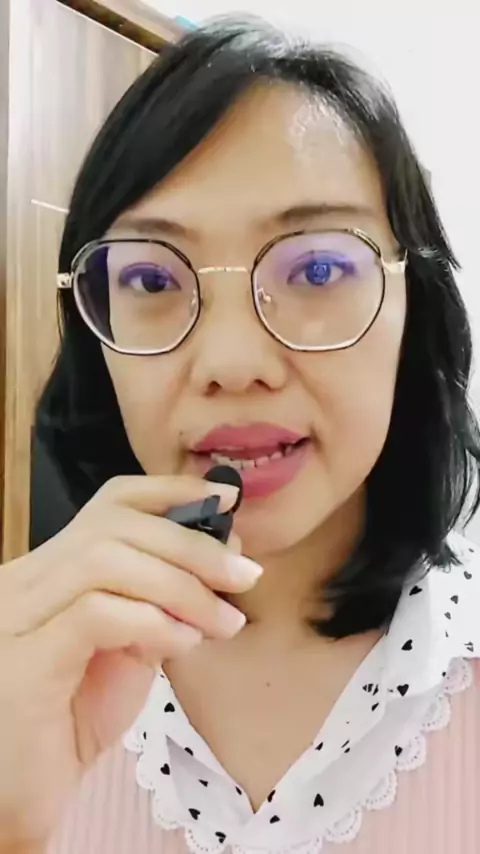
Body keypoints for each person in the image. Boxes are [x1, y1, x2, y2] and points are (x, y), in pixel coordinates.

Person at [1, 16, 480, 854]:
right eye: (152, 278)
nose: (231, 363)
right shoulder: (26, 678)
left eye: (318, 268)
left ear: (415, 312)